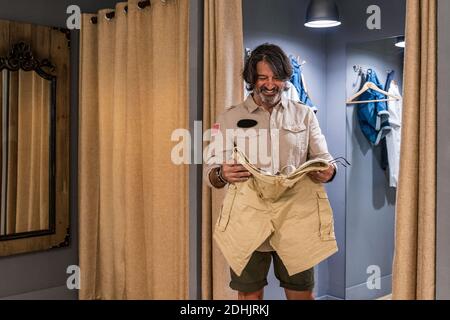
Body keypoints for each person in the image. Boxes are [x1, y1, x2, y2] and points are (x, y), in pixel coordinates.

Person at [204, 43, 337, 300]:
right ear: (252, 79)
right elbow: (211, 171)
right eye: (262, 77)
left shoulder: (305, 115)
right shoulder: (230, 117)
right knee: (250, 297)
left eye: (276, 77)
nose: (270, 84)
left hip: (296, 217)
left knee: (301, 294)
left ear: (286, 78)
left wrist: (328, 172)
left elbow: (324, 159)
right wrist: (222, 174)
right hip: (248, 217)